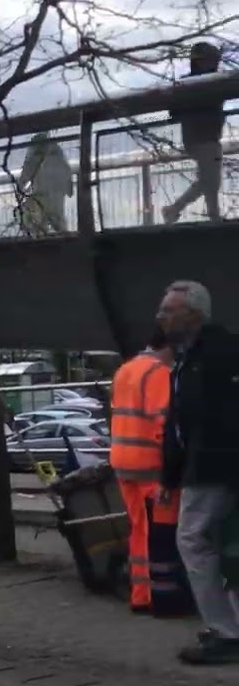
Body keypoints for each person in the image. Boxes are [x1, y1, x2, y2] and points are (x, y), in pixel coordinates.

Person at [157, 279, 239, 664]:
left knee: (193, 540)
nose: (160, 316)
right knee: (225, 544)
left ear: (193, 314)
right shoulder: (189, 358)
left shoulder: (212, 356)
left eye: (168, 310)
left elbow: (195, 423)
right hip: (209, 467)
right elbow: (179, 423)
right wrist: (170, 475)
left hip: (212, 468)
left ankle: (225, 631)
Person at [110, 325, 189, 615]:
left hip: (123, 460)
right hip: (151, 465)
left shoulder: (125, 370)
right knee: (162, 533)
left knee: (139, 530)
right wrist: (175, 463)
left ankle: (141, 595)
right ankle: (165, 596)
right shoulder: (158, 373)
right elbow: (163, 423)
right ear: (171, 347)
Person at [162, 42, 225, 225]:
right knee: (210, 180)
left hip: (200, 137)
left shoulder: (190, 83)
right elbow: (175, 110)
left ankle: (213, 216)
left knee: (209, 180)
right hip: (203, 137)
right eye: (213, 60)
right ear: (202, 61)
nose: (216, 63)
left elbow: (174, 111)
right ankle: (175, 209)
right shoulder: (204, 83)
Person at [18, 132, 72, 237]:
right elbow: (67, 172)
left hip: (42, 193)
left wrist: (20, 187)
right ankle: (63, 239)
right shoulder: (58, 154)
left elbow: (28, 169)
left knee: (38, 219)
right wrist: (68, 188)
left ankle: (40, 239)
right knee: (58, 218)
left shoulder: (36, 153)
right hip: (58, 192)